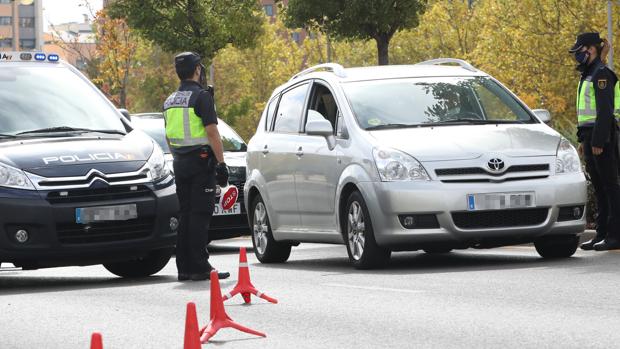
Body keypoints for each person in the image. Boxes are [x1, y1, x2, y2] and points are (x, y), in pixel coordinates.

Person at [163, 52, 231, 280]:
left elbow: (168, 135)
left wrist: (178, 157)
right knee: (200, 215)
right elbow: (212, 132)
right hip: (201, 163)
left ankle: (184, 268)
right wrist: (221, 164)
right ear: (197, 70)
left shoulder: (169, 100)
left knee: (186, 214)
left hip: (180, 163)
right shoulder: (202, 97)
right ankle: (200, 266)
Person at [569, 32, 620, 251]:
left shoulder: (601, 74)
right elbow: (585, 115)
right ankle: (601, 234)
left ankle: (615, 235)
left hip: (603, 138)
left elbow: (606, 111)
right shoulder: (589, 73)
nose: (576, 56)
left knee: (611, 187)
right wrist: (583, 141)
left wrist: (598, 140)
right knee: (599, 188)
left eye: (579, 51)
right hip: (590, 138)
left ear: (590, 49)